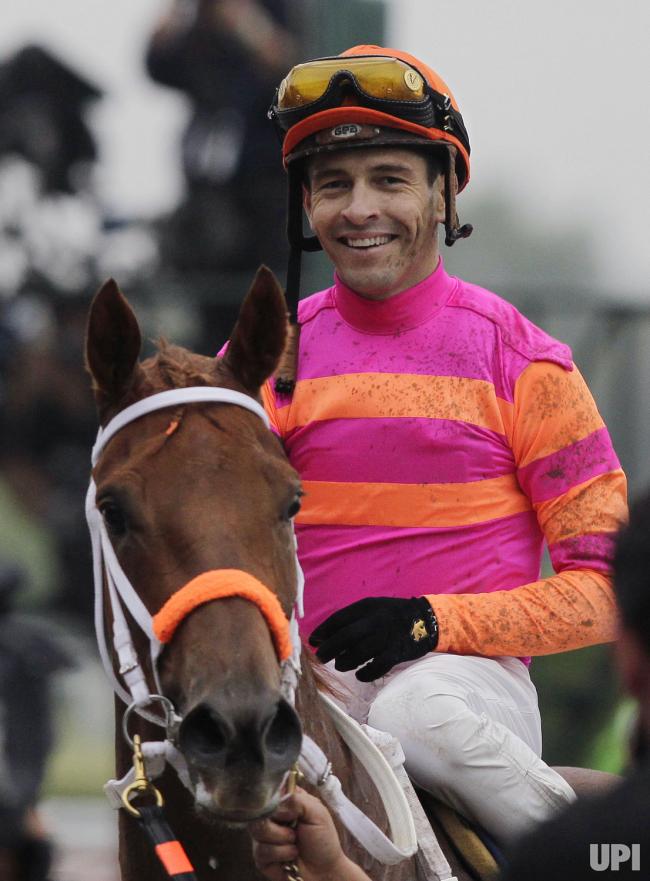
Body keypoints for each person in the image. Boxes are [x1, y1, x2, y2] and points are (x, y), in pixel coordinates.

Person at [256, 44, 628, 845]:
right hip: (305, 689)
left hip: (465, 692)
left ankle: (586, 855)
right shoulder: (263, 363)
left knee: (414, 709)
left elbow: (605, 590)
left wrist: (431, 623)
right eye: (333, 185)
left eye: (389, 179)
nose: (360, 209)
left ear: (442, 193)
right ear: (307, 206)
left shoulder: (528, 363)